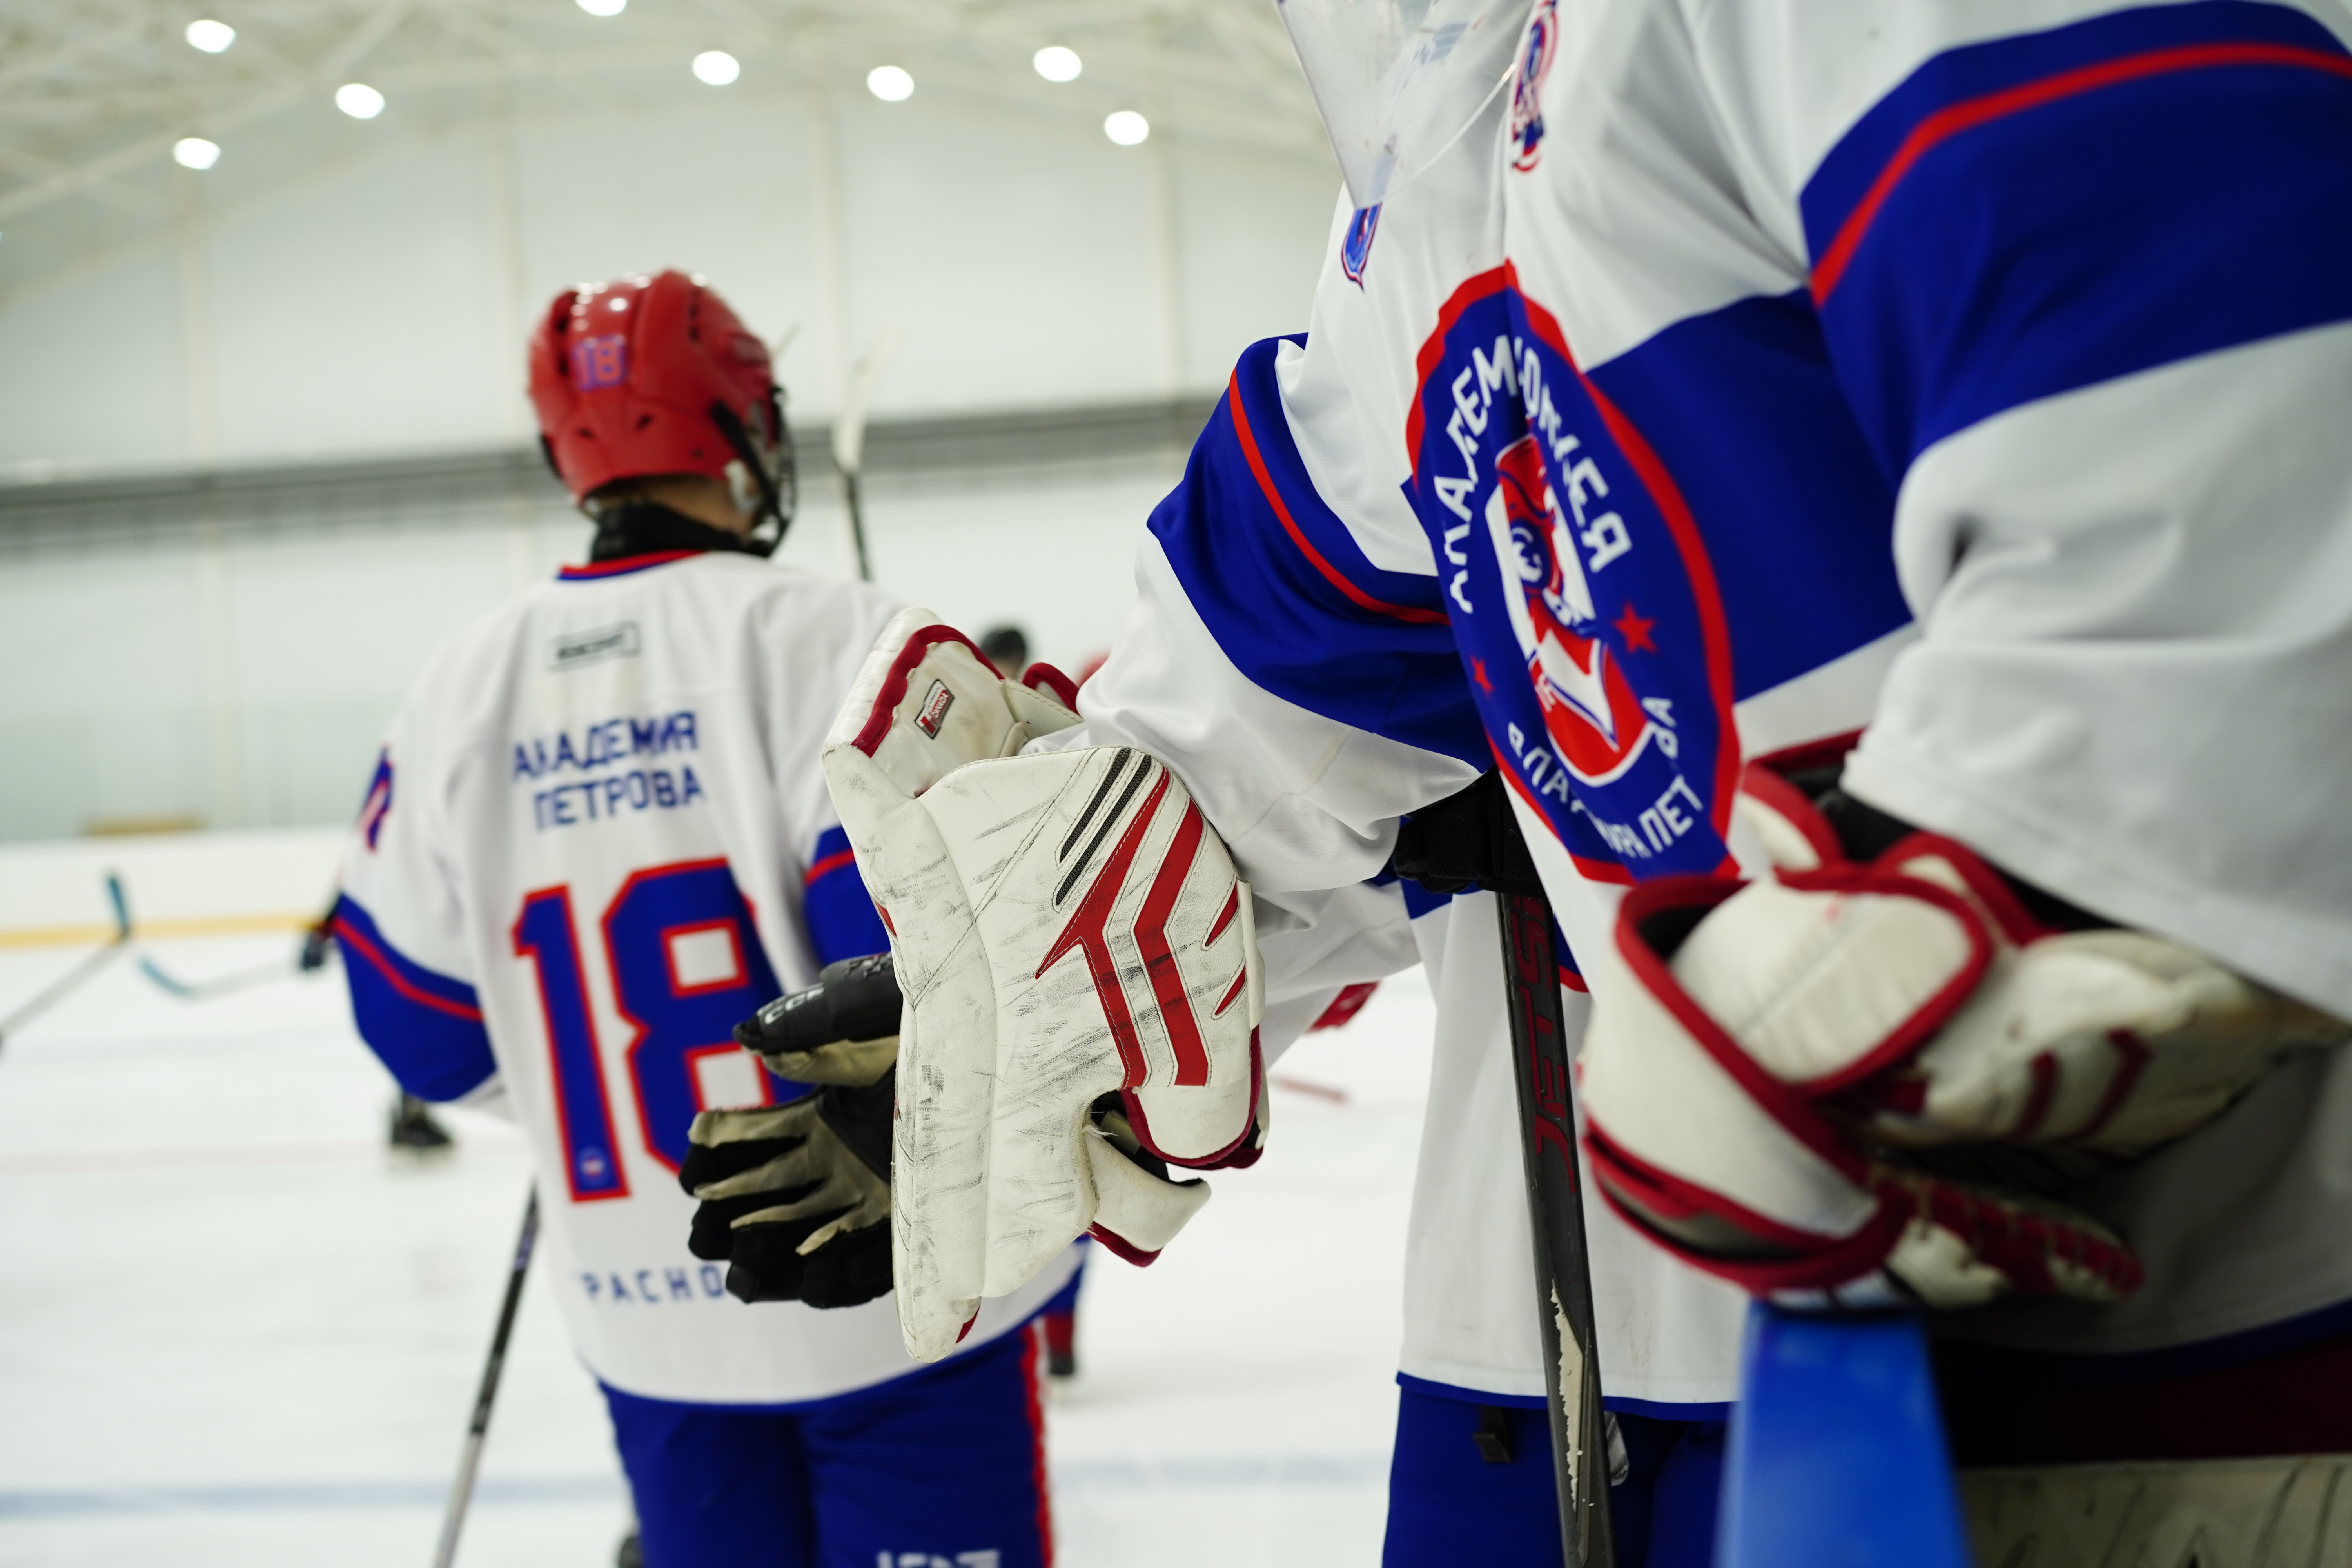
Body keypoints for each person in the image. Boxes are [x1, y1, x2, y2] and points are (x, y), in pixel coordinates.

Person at [799, 2, 2352, 1561]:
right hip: (1549, 1353)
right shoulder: (1429, 155)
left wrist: (2024, 877)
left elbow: (2236, 412)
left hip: (2125, 1343)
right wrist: (1025, 974)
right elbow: (1286, 692)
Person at [330, 269, 1078, 1568]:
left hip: (643, 1324)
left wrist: (602, 1101)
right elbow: (928, 979)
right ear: (742, 428)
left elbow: (428, 1039)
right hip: (896, 1288)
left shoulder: (455, 688)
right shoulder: (838, 634)